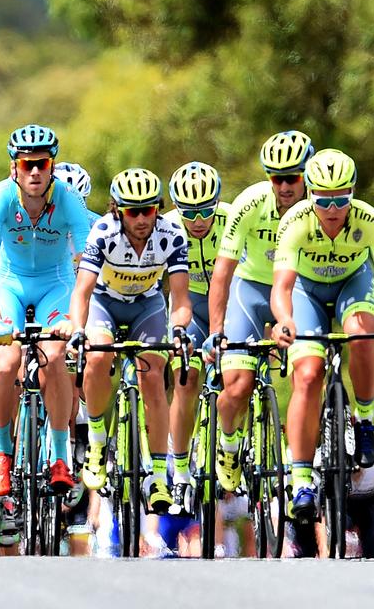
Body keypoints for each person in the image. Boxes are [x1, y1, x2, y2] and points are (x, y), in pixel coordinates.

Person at [271, 148, 374, 520]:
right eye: (323, 200)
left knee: (363, 336)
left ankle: (363, 419)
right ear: (309, 193)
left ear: (353, 193)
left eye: (342, 199)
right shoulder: (295, 222)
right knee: (308, 373)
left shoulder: (372, 221)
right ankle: (301, 479)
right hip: (306, 292)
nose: (332, 209)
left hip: (352, 284)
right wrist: (284, 320)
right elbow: (282, 286)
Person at [0, 124, 90, 518]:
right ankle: (2, 452)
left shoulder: (70, 202)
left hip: (56, 286)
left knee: (55, 358)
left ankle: (60, 455)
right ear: (15, 168)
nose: (36, 172)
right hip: (10, 285)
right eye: (28, 165)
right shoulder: (0, 199)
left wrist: (76, 318)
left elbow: (85, 266)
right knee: (5, 362)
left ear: (52, 165)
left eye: (42, 164)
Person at [67, 168, 191, 513]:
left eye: (148, 210)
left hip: (146, 306)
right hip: (104, 304)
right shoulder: (103, 233)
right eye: (132, 211)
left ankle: (159, 475)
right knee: (97, 358)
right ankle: (95, 440)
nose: (140, 219)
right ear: (117, 210)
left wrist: (179, 330)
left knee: (153, 373)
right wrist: (78, 330)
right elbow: (82, 291)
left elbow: (180, 299)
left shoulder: (171, 234)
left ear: (158, 209)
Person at [206, 130, 314, 494]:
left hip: (299, 290)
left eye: (292, 177)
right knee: (236, 386)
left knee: (308, 372)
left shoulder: (323, 205)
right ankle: (229, 444)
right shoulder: (249, 203)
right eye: (276, 177)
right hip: (250, 289)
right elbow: (222, 271)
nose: (284, 186)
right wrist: (217, 330)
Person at [162, 162, 230, 514]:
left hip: (228, 304)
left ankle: (234, 442)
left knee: (237, 375)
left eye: (206, 210)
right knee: (185, 379)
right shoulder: (167, 227)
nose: (199, 219)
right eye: (190, 212)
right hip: (186, 305)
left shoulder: (233, 219)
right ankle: (181, 468)